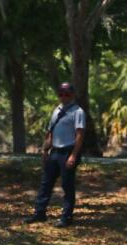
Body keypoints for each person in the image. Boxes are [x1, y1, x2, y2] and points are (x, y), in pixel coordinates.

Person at [25, 83, 85, 228]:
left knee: (67, 185)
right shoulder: (56, 110)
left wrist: (73, 156)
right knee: (46, 183)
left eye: (67, 94)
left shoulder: (78, 112)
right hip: (55, 152)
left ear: (72, 95)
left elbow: (80, 135)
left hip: (68, 151)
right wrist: (45, 150)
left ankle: (66, 217)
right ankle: (39, 213)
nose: (64, 97)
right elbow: (50, 132)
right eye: (61, 94)